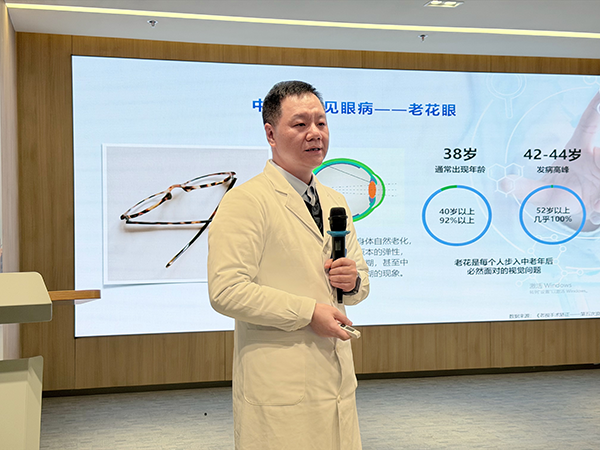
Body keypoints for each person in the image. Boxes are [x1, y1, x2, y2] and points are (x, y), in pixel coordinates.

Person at [207, 80, 370, 450]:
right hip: (279, 383)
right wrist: (308, 312)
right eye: (300, 124)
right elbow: (226, 291)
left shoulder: (335, 200)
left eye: (321, 123)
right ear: (271, 134)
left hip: (335, 378)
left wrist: (353, 281)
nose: (315, 133)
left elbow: (359, 282)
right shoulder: (246, 201)